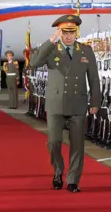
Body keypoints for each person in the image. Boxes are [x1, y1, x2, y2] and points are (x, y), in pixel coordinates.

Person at [29, 14, 101, 193]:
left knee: (77, 145)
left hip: (77, 103)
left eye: (72, 32)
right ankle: (58, 170)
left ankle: (73, 180)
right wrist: (50, 40)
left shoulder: (85, 51)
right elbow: (34, 63)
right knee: (53, 142)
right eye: (64, 32)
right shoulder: (51, 50)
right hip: (56, 104)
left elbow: (94, 79)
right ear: (58, 32)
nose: (68, 36)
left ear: (76, 33)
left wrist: (95, 101)